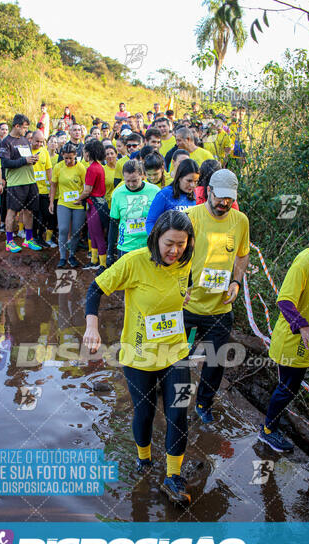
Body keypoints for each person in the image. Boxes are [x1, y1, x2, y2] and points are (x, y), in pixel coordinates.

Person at [84, 210, 195, 505]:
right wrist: (92, 326)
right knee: (144, 413)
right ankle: (143, 460)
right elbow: (95, 288)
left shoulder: (186, 262)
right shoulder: (134, 262)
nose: (174, 251)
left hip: (176, 353)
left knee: (178, 413)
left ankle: (173, 476)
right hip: (139, 356)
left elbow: (188, 283)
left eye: (181, 244)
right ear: (156, 237)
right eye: (169, 243)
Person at [259, 219, 309, 461]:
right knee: (288, 390)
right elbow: (285, 301)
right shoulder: (305, 262)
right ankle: (268, 429)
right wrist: (304, 328)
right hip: (295, 343)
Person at [184, 169, 250, 423]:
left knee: (215, 361)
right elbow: (174, 255)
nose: (223, 203)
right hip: (188, 307)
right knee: (179, 357)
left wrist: (236, 281)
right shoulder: (190, 217)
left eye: (229, 199)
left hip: (220, 309)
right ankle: (170, 397)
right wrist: (181, 288)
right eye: (219, 197)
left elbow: (242, 254)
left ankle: (204, 403)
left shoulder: (240, 220)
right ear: (208, 191)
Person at [0, 113, 41, 253]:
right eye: (24, 128)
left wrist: (32, 159)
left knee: (29, 211)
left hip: (30, 180)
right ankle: (9, 241)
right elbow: (5, 163)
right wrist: (25, 161)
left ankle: (28, 239)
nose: (25, 130)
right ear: (16, 126)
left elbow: (26, 158)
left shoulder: (24, 140)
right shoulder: (6, 142)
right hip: (16, 184)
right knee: (12, 212)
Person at [107, 159, 159, 264]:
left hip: (148, 246)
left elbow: (161, 219)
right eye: (127, 181)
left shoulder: (155, 191)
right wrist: (110, 252)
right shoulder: (117, 194)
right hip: (126, 246)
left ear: (143, 176)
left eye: (135, 180)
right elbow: (113, 224)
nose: (131, 184)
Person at [50, 142, 86, 269]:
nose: (68, 161)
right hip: (63, 203)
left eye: (71, 158)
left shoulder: (81, 168)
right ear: (62, 156)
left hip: (78, 204)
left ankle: (72, 255)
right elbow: (53, 185)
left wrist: (81, 199)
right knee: (64, 229)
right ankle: (62, 257)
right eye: (66, 158)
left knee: (76, 231)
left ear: (76, 155)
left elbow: (86, 186)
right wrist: (51, 202)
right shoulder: (58, 167)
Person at [77, 140, 107, 273]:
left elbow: (87, 190)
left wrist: (78, 200)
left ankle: (103, 264)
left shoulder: (91, 168)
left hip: (94, 204)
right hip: (97, 204)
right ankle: (95, 261)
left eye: (84, 151)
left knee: (97, 234)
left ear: (88, 153)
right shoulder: (99, 166)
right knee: (94, 233)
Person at [146, 158, 198, 234]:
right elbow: (150, 222)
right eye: (189, 181)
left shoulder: (192, 195)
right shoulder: (165, 194)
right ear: (179, 178)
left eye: (196, 181)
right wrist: (156, 242)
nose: (193, 185)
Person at [31, 130, 53, 248]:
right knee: (35, 215)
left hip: (43, 189)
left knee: (45, 214)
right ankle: (33, 236)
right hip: (31, 189)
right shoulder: (27, 152)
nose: (39, 144)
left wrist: (51, 188)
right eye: (37, 141)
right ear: (31, 139)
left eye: (41, 141)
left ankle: (40, 236)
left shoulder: (44, 152)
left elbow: (49, 170)